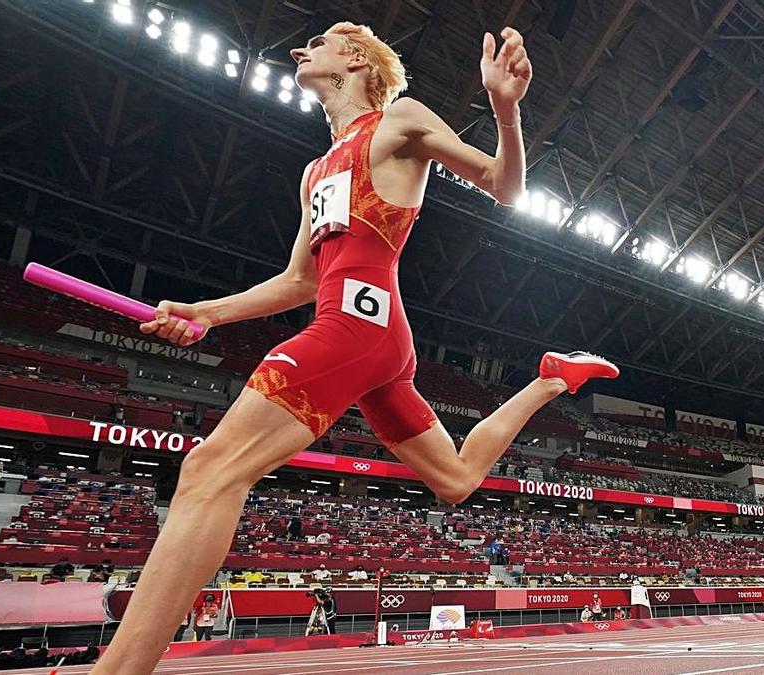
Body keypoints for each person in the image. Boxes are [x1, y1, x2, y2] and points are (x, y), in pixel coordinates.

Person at [90, 22, 617, 675]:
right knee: (456, 479)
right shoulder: (314, 171)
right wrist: (205, 311)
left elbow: (505, 187)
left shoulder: (397, 122)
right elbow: (299, 280)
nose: (299, 50)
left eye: (318, 40)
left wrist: (506, 112)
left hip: (358, 325)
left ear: (358, 59)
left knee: (208, 471)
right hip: (368, 332)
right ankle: (549, 379)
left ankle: (114, 672)